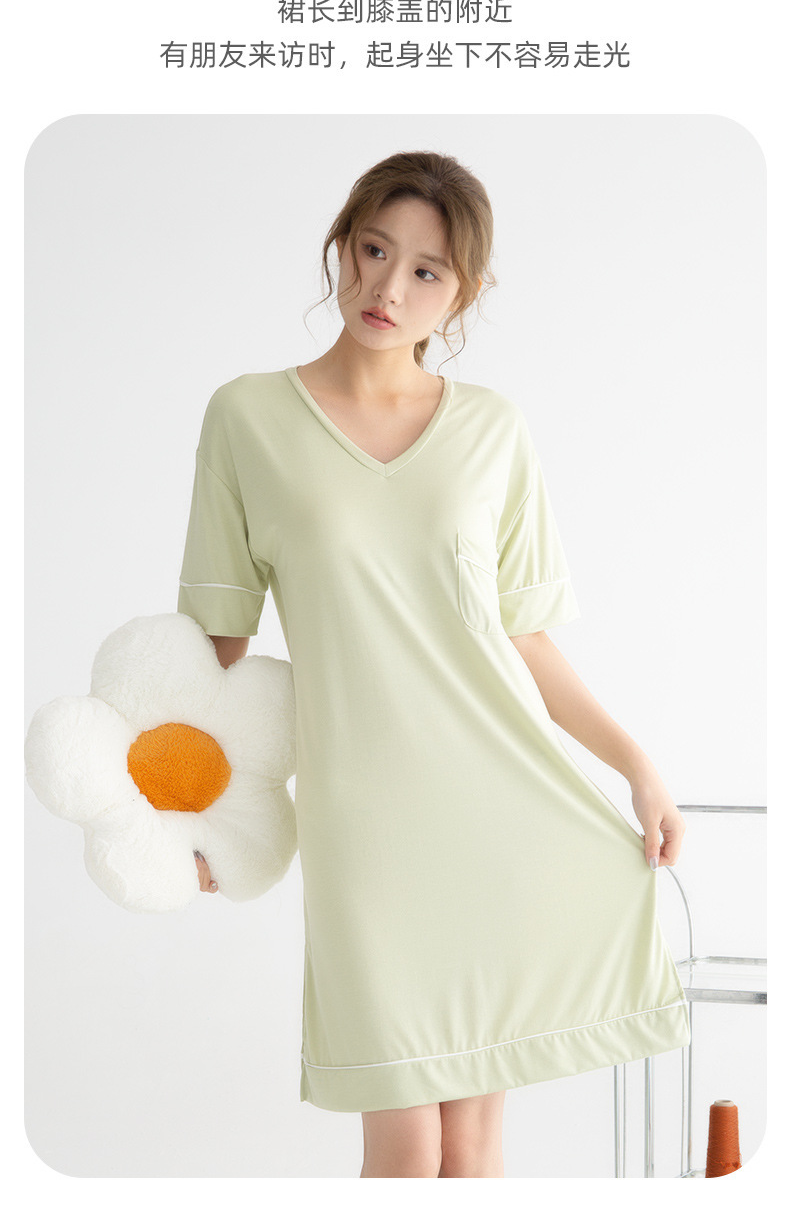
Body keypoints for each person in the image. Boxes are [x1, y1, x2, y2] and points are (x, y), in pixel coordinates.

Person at [179, 150, 689, 1178]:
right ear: (341, 244)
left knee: (472, 1141)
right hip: (364, 827)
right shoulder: (247, 417)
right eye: (373, 251)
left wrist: (637, 766)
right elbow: (215, 645)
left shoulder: (492, 428)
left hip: (497, 808)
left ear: (465, 291)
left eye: (426, 271)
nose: (387, 288)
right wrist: (194, 811)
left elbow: (523, 637)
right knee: (406, 1144)